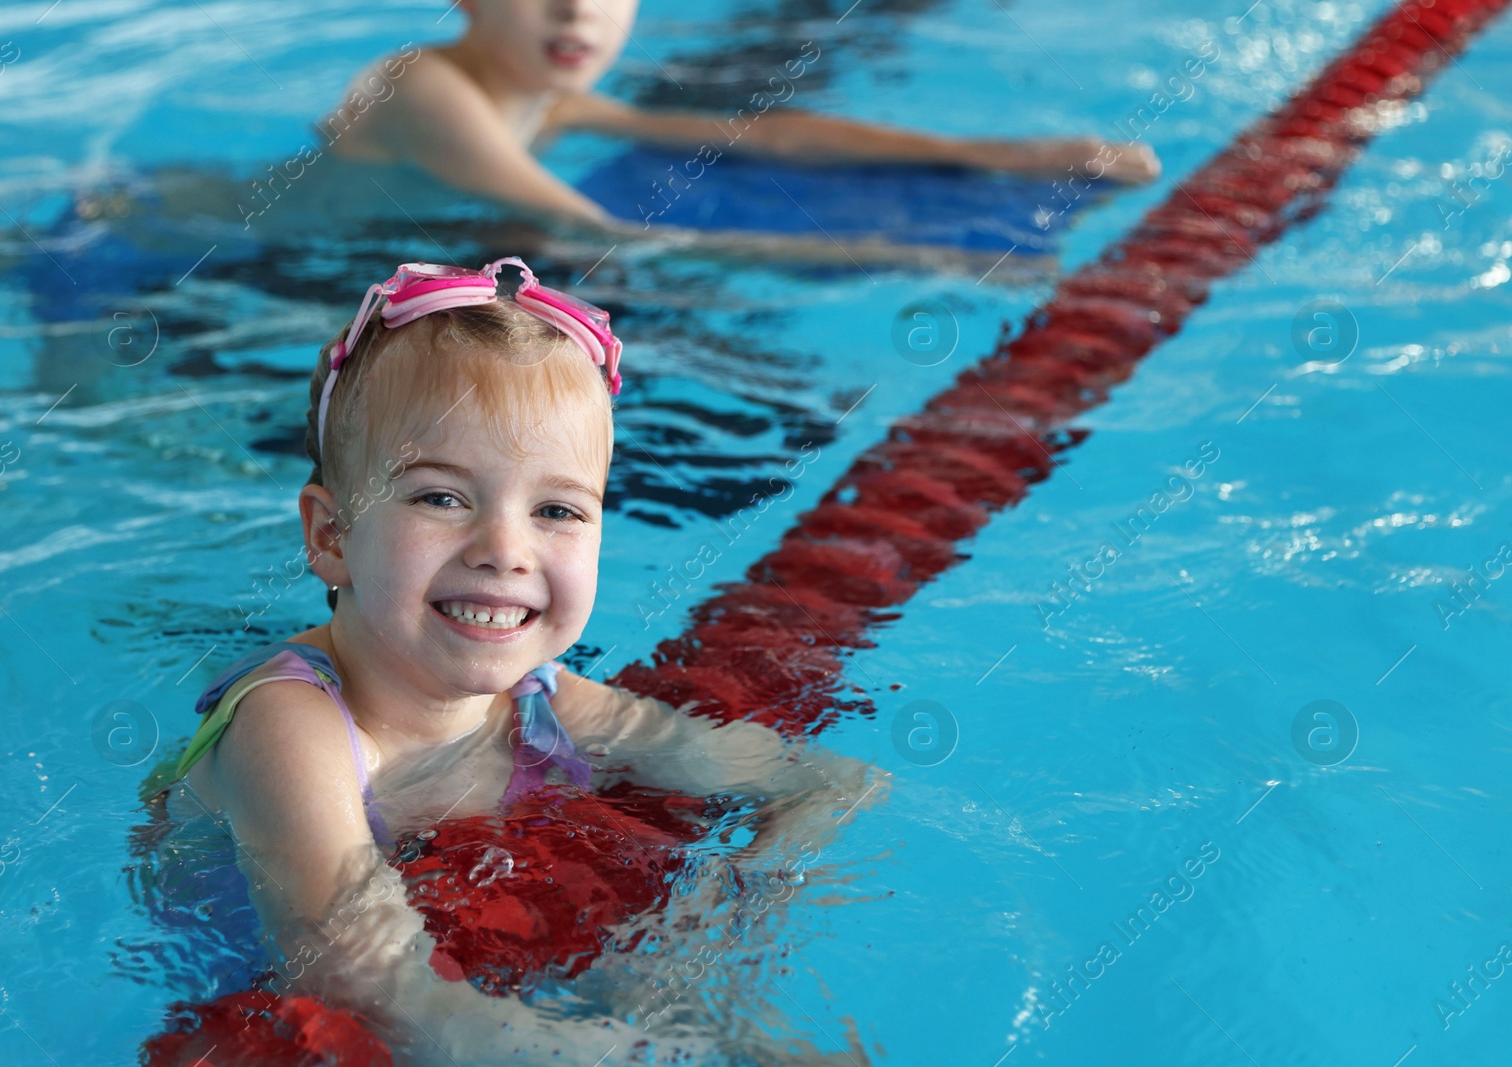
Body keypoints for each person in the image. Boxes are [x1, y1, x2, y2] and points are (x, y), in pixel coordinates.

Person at [154, 256, 884, 1065]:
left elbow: (826, 780)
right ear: (331, 536)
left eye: (557, 509)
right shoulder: (291, 727)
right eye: (441, 496)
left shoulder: (543, 697)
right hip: (255, 998)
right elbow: (365, 977)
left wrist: (745, 893)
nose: (506, 550)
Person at [320, 0, 1161, 234]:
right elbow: (593, 228)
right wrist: (901, 255)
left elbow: (761, 133)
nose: (578, 12)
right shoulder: (422, 88)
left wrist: (997, 156)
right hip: (260, 271)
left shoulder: (548, 92)